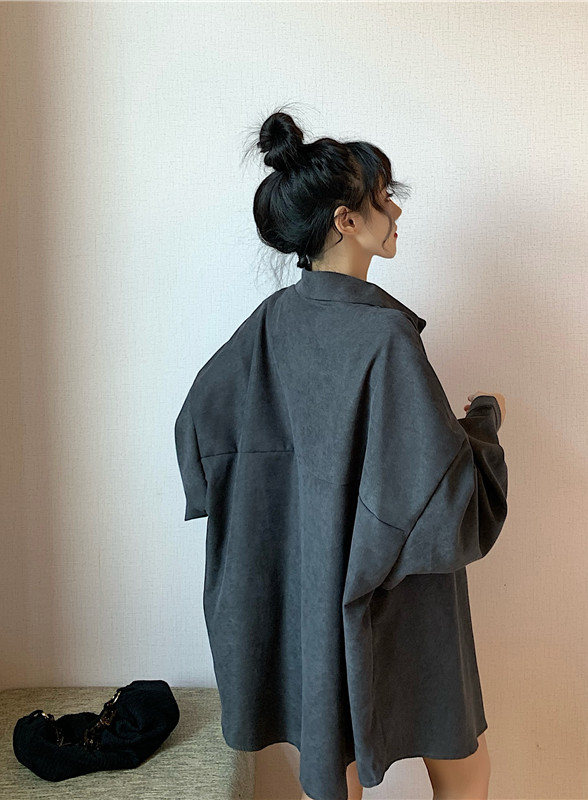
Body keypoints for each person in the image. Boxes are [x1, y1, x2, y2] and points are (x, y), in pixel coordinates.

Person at [175, 107, 507, 800]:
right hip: (401, 595)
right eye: (384, 198)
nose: (396, 212)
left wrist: (281, 507)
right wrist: (483, 420)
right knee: (465, 769)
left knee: (330, 766)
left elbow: (200, 429)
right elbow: (447, 501)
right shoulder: (385, 337)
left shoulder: (267, 325)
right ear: (346, 219)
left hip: (304, 591)